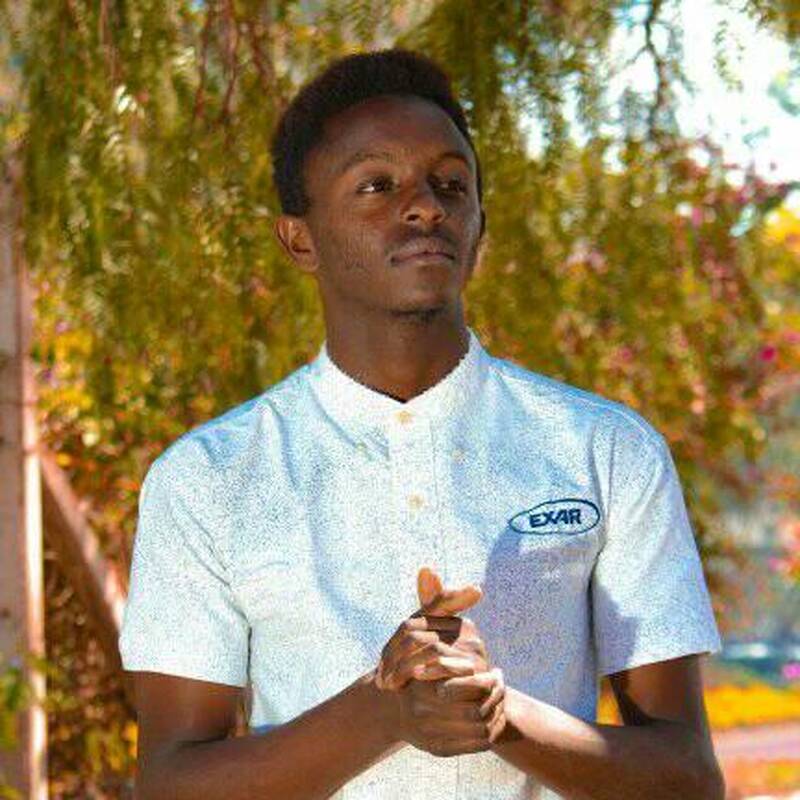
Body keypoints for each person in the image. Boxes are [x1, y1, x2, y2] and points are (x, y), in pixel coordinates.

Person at [118, 47, 726, 799]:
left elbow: (687, 779)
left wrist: (500, 714)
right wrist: (382, 710)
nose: (426, 206)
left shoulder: (606, 451)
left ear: (478, 226)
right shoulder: (208, 479)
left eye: (450, 183)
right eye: (378, 185)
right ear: (300, 240)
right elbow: (172, 784)